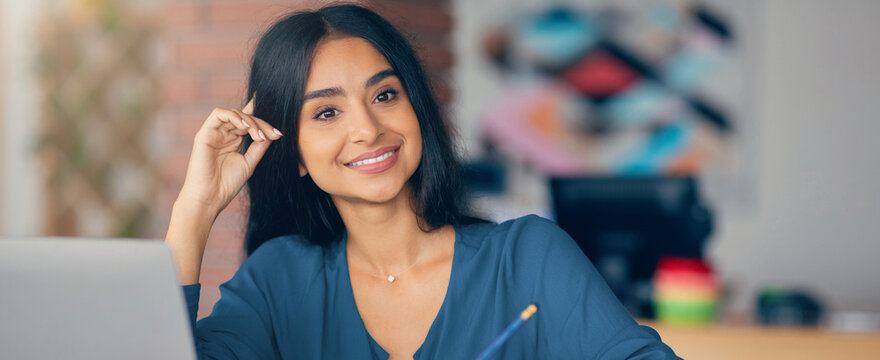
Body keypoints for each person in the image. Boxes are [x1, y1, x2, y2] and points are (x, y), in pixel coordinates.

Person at [164, 4, 680, 360]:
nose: (367, 129)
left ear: (417, 108)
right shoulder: (277, 281)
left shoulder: (528, 258)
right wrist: (196, 208)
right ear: (291, 151)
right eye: (325, 113)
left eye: (384, 95)